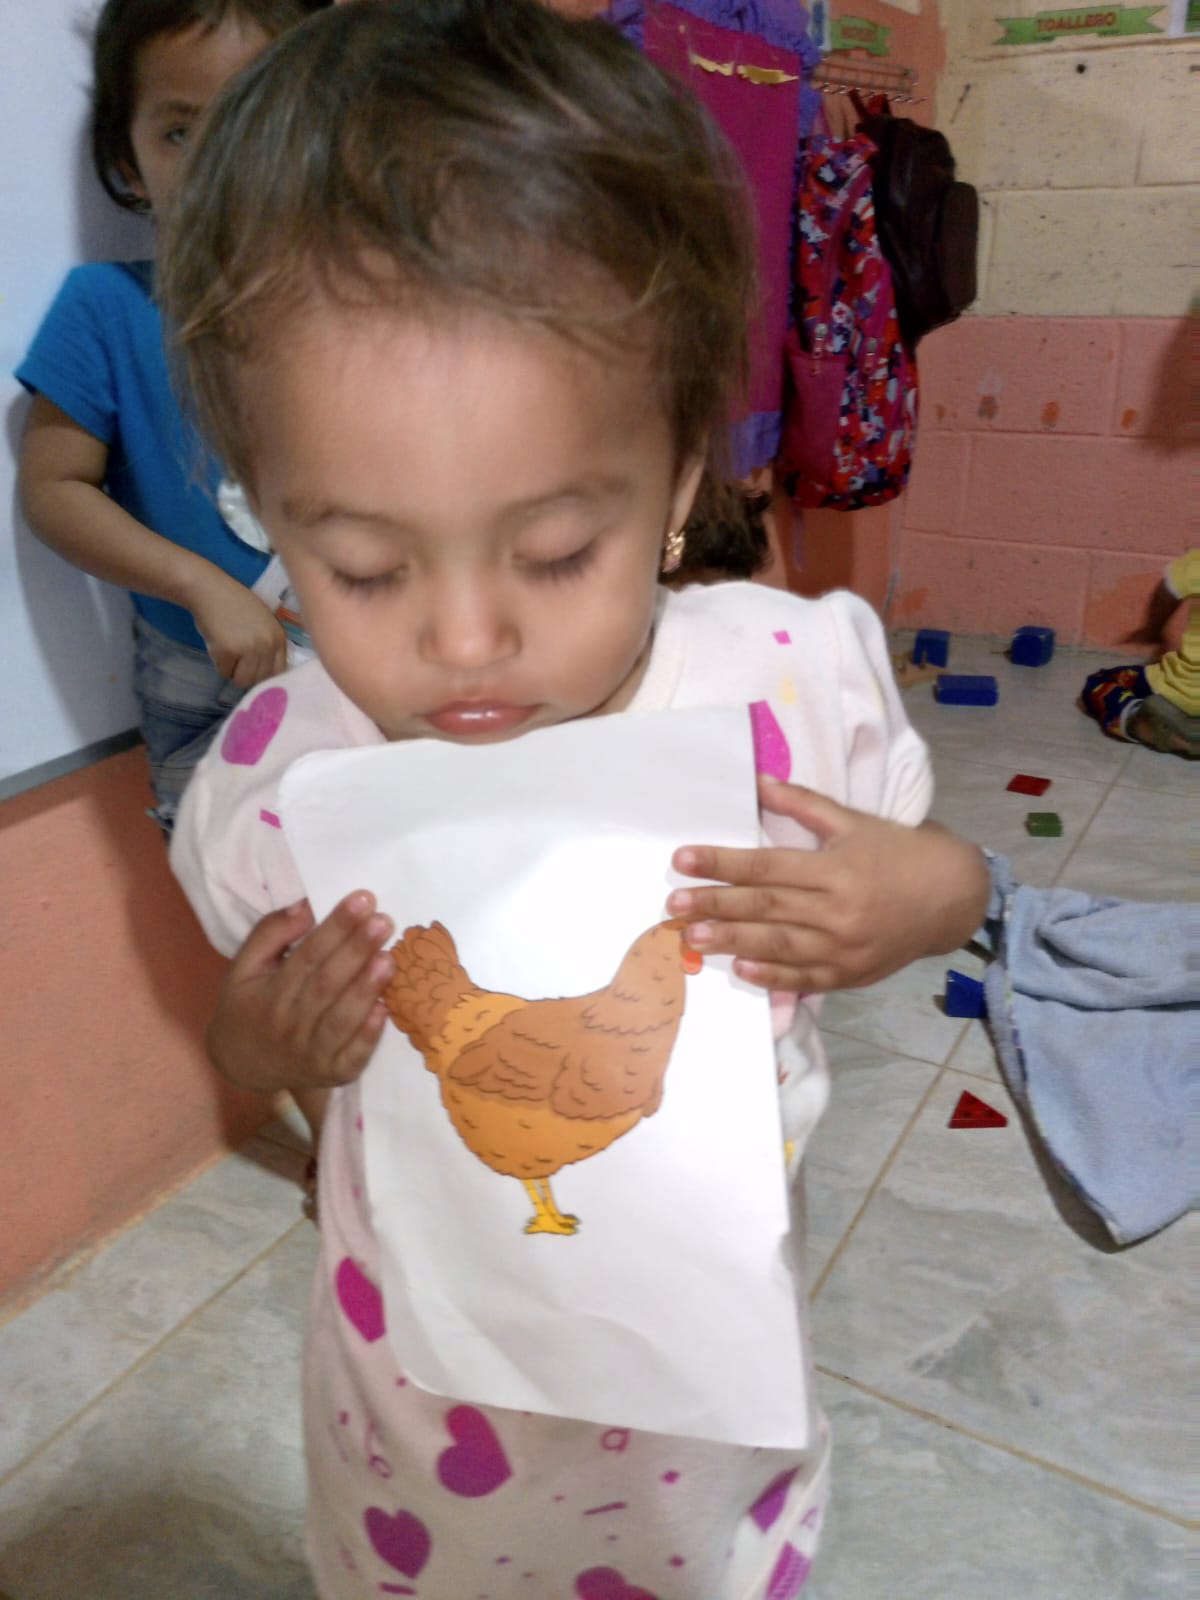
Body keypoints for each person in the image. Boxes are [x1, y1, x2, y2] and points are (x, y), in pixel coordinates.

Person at [162, 4, 988, 1593]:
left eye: (553, 552)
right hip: (415, 1447)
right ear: (266, 510)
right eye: (365, 566)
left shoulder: (789, 692)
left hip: (706, 1445)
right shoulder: (282, 777)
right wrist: (263, 1044)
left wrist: (920, 898)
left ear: (678, 480)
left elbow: (944, 883)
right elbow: (253, 1042)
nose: (467, 640)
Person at [15, 0, 328, 835]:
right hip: (195, 665)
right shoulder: (104, 308)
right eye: (183, 133)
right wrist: (196, 584)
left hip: (356, 644)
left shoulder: (360, 305)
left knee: (371, 861)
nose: (221, 165)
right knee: (223, 872)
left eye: (256, 124)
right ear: (128, 157)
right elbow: (53, 491)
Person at [1080, 549, 1199, 760]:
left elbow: (1168, 589)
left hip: (1184, 691)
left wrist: (1153, 631)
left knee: (1099, 682)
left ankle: (1139, 721)